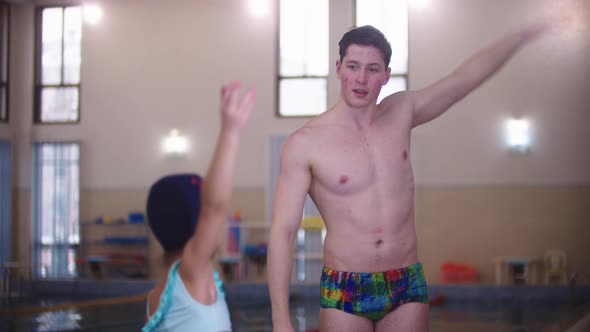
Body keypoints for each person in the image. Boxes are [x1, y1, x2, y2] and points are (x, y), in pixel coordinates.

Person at [268, 20, 555, 332]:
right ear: (338, 67)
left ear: (387, 75)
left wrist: (521, 34)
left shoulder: (402, 111)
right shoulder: (306, 143)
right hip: (345, 283)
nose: (361, 79)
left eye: (373, 69)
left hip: (405, 281)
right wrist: (281, 319)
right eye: (353, 66)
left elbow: (464, 79)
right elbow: (283, 232)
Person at [142, 81, 255, 332]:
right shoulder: (190, 275)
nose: (221, 224)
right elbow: (214, 208)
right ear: (198, 227)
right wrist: (231, 131)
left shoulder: (164, 290)